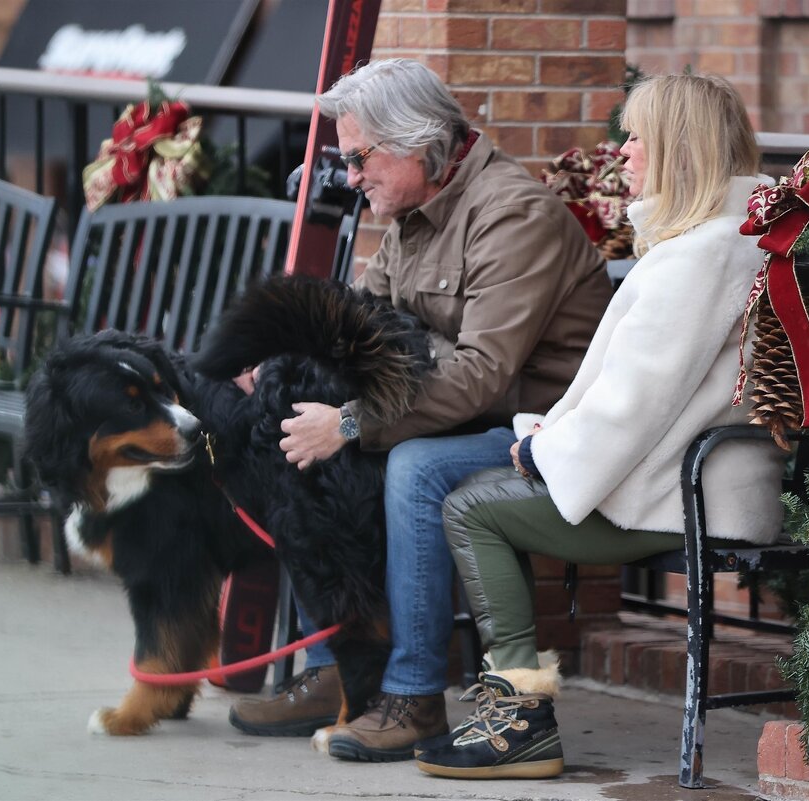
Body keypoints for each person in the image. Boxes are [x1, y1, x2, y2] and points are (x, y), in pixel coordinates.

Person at [227, 58, 614, 763]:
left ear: (414, 141)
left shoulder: (510, 213)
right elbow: (365, 329)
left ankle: (413, 697)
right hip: (462, 410)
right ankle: (339, 665)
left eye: (358, 157)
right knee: (287, 421)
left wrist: (348, 422)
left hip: (540, 430)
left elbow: (483, 378)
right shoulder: (412, 207)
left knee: (411, 464)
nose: (350, 176)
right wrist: (285, 368)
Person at [417, 73, 787, 780]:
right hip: (683, 483)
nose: (626, 149)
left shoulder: (701, 255)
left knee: (473, 507)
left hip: (684, 501)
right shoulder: (724, 242)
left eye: (640, 134)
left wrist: (542, 450)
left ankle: (519, 717)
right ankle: (511, 707)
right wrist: (543, 444)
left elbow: (634, 404)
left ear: (680, 149)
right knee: (485, 486)